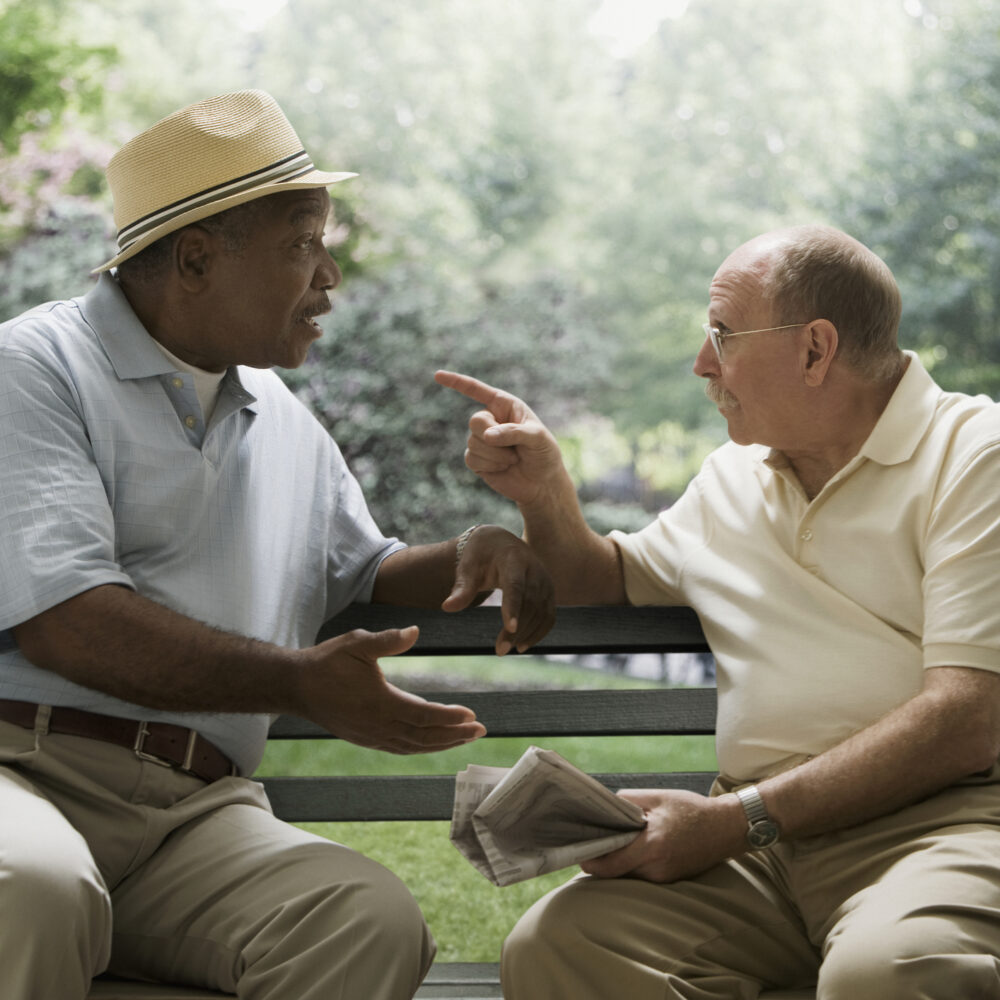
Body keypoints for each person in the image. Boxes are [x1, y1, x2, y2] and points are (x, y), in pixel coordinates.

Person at [0, 89, 555, 1000]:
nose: (330, 275)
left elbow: (360, 567)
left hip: (193, 820)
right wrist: (297, 681)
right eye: (304, 243)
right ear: (194, 259)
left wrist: (471, 551)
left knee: (362, 920)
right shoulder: (34, 369)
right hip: (24, 773)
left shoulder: (282, 416)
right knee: (33, 888)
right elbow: (69, 624)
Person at [436, 224, 1000, 999]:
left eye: (723, 336)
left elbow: (970, 716)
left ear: (815, 350)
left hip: (941, 830)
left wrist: (737, 820)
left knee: (890, 973)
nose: (703, 363)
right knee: (558, 947)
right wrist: (544, 494)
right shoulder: (732, 476)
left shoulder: (976, 456)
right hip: (761, 853)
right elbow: (606, 577)